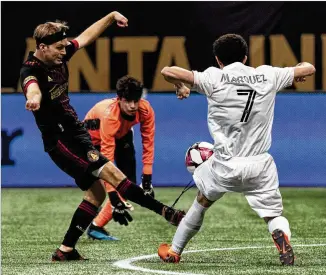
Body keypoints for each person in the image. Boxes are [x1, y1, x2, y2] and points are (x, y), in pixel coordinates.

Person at [19, 11, 185, 262]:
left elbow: (85, 37)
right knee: (113, 175)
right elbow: (32, 88)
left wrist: (110, 17)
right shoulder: (31, 71)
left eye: (65, 47)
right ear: (42, 47)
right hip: (60, 141)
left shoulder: (60, 52)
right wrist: (34, 99)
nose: (64, 52)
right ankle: (166, 212)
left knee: (95, 194)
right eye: (59, 48)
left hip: (76, 131)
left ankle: (65, 251)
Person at [157, 34, 315, 266]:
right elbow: (309, 68)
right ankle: (280, 237)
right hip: (259, 164)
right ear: (245, 56)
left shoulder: (214, 77)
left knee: (201, 201)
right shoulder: (269, 75)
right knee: (273, 215)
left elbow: (167, 71)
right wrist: (298, 70)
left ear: (219, 60)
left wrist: (180, 84)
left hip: (224, 165)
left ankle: (174, 251)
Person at [84, 75, 156, 240]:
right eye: (128, 101)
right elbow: (107, 157)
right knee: (99, 191)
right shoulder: (110, 116)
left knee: (127, 184)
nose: (132, 106)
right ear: (119, 99)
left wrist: (147, 179)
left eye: (135, 101)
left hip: (120, 134)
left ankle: (96, 227)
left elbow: (148, 142)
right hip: (90, 141)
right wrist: (113, 195)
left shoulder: (145, 110)